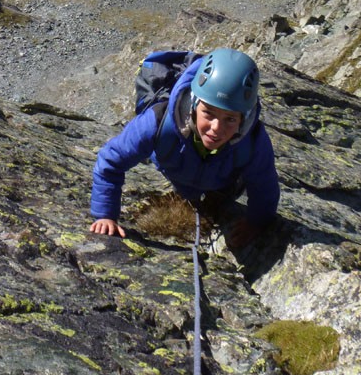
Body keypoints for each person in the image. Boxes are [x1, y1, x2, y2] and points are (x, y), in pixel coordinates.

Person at [89, 47, 280, 248]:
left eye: (230, 119)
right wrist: (105, 214)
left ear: (244, 118)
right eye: (209, 113)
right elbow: (111, 160)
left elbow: (264, 185)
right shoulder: (157, 122)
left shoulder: (253, 141)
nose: (216, 128)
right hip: (183, 172)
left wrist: (256, 222)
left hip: (221, 185)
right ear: (193, 104)